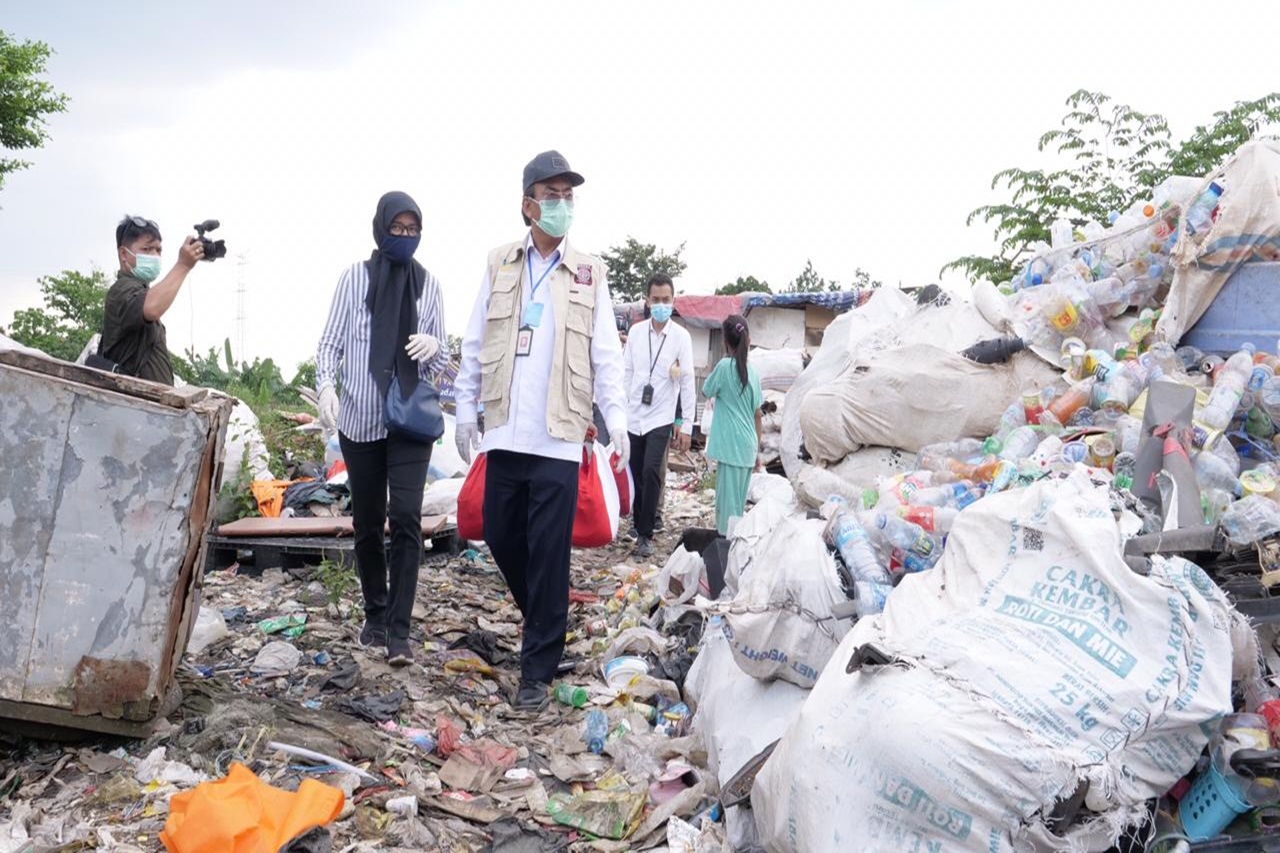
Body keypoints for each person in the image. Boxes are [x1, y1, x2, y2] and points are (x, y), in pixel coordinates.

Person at [454, 150, 628, 711]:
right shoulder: (500, 263)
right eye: (551, 195)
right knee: (501, 532)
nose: (561, 204)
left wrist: (616, 419)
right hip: (505, 429)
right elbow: (476, 342)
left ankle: (537, 671)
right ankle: (547, 621)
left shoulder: (589, 270)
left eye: (567, 195)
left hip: (559, 433)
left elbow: (606, 353)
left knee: (550, 552)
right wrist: (463, 409)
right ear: (528, 204)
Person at [315, 191, 446, 667]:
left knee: (407, 517)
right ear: (381, 228)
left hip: (409, 420)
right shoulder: (354, 280)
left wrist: (436, 348)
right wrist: (328, 388)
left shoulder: (428, 286)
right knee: (368, 522)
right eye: (398, 229)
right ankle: (374, 614)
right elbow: (329, 345)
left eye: (413, 230)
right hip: (361, 419)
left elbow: (444, 362)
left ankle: (399, 631)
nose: (405, 237)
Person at [623, 273, 695, 557]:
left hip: (660, 415)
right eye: (656, 300)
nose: (661, 304)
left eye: (667, 300)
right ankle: (637, 518)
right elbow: (626, 372)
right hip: (633, 414)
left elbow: (687, 381)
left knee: (652, 471)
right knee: (636, 472)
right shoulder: (637, 334)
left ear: (673, 301)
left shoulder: (681, 337)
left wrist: (686, 425)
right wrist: (619, 411)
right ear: (648, 300)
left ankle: (645, 533)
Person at [100, 215, 204, 384]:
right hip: (129, 406)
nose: (154, 255)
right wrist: (183, 265)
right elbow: (151, 308)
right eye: (147, 249)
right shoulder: (121, 290)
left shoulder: (141, 292)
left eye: (158, 250)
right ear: (124, 254)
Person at [702, 314, 763, 535]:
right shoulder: (754, 373)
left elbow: (706, 390)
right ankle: (734, 550)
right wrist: (757, 451)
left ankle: (726, 554)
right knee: (738, 507)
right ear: (747, 339)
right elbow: (758, 415)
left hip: (730, 448)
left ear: (725, 341)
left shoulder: (724, 366)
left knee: (726, 511)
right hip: (747, 447)